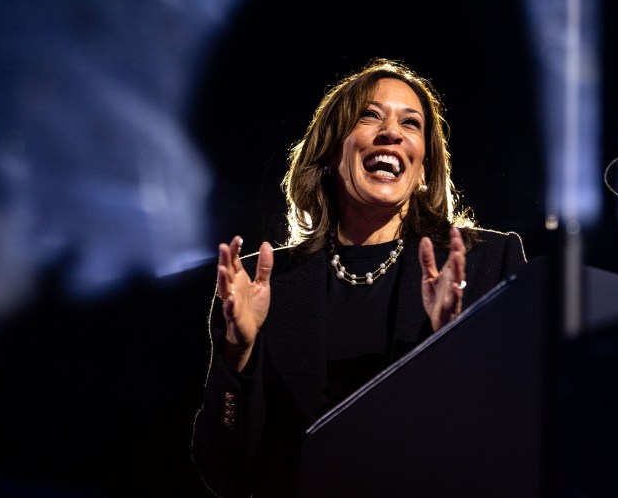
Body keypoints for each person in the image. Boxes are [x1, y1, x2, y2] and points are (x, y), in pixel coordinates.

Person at [190, 58, 527, 497]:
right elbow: (225, 474)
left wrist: (456, 343)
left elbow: (517, 433)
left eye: (412, 124)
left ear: (423, 168)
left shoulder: (487, 263)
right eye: (370, 115)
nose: (392, 132)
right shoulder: (260, 283)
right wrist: (238, 352)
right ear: (331, 152)